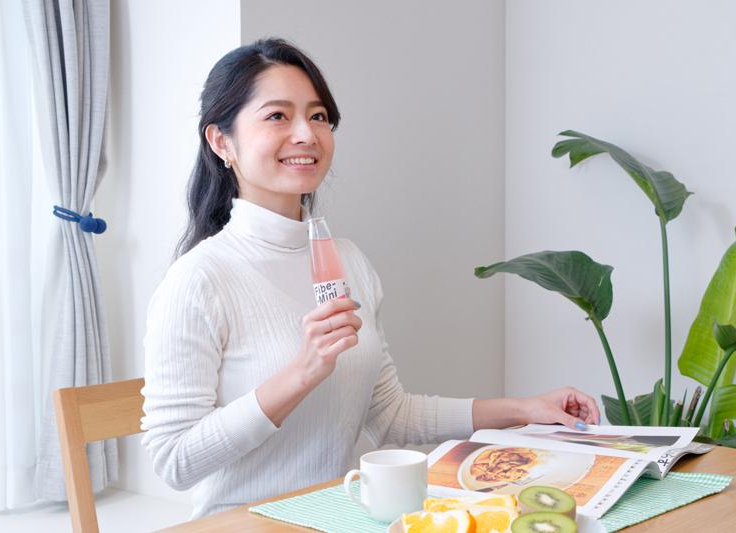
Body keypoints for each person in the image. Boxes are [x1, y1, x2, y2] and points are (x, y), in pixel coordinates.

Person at [141, 38, 600, 519]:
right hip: (244, 524)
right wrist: (301, 373)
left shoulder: (349, 261)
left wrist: (524, 410)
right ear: (221, 141)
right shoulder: (198, 279)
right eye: (277, 116)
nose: (306, 134)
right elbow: (174, 461)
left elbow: (391, 416)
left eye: (319, 117)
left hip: (341, 515)